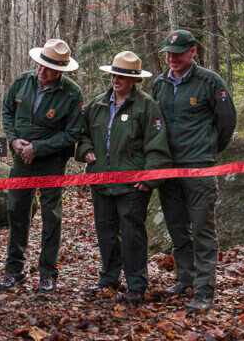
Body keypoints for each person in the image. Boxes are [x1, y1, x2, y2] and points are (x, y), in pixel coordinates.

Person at [75, 51, 172, 304]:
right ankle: (108, 279)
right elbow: (82, 135)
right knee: (105, 232)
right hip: (100, 181)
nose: (116, 80)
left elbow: (157, 145)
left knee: (132, 235)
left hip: (132, 185)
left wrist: (149, 179)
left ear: (134, 80)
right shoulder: (96, 104)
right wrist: (85, 151)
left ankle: (137, 285)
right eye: (114, 74)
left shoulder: (146, 105)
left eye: (123, 76)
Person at [152, 30, 237, 312]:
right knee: (177, 228)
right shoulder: (160, 83)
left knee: (203, 229)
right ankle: (184, 279)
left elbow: (226, 121)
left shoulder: (210, 81)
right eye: (168, 53)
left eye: (177, 54)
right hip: (168, 169)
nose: (171, 59)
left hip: (199, 168)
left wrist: (209, 151)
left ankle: (203, 291)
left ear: (192, 52)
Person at [0, 39, 84, 294]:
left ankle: (48, 274)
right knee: (16, 211)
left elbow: (72, 134)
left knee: (51, 216)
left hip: (51, 162)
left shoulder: (71, 93)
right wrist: (14, 141)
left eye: (48, 68)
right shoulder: (23, 81)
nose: (41, 71)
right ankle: (13, 271)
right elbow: (7, 112)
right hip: (20, 160)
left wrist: (37, 148)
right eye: (40, 65)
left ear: (61, 70)